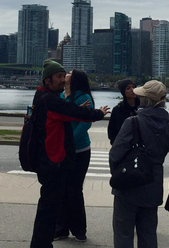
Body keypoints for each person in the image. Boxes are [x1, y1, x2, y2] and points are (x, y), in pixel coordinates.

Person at [29, 60, 109, 248]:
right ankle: (41, 244)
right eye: (58, 77)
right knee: (49, 209)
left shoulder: (42, 96)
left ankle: (44, 242)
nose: (62, 80)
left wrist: (80, 111)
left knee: (50, 206)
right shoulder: (50, 100)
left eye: (64, 76)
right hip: (52, 160)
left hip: (48, 159)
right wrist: (97, 113)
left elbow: (67, 112)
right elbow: (71, 112)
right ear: (47, 80)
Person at [109, 80, 169, 248]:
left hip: (129, 185)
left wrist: (117, 176)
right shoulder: (167, 124)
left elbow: (115, 154)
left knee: (123, 233)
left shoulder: (133, 122)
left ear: (144, 99)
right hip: (153, 184)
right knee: (149, 234)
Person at [54, 69, 95, 242]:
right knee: (62, 189)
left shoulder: (83, 98)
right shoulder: (62, 96)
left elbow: (85, 124)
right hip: (63, 150)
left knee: (75, 189)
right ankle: (61, 228)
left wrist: (69, 141)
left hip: (79, 151)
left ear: (75, 78)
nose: (66, 73)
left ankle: (79, 229)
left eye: (69, 72)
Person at [107, 79, 139, 145]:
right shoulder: (118, 109)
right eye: (128, 88)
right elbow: (112, 131)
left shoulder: (142, 107)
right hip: (122, 147)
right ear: (123, 92)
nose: (132, 90)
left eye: (133, 87)